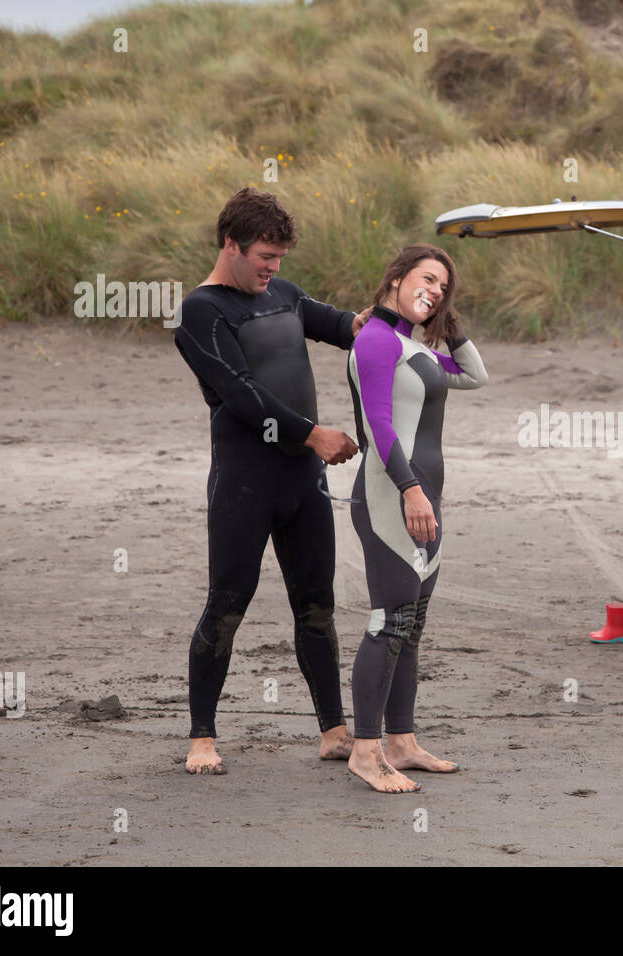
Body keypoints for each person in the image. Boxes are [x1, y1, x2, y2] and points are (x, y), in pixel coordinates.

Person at [173, 187, 371, 775]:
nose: (274, 268)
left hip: (303, 484)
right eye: (265, 255)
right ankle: (202, 738)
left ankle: (333, 731)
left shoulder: (281, 294)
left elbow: (342, 327)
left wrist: (391, 310)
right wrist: (313, 434)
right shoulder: (200, 312)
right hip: (244, 484)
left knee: (317, 607)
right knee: (226, 607)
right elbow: (241, 394)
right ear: (231, 244)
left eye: (281, 257)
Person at [345, 244, 487, 793]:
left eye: (444, 287)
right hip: (392, 498)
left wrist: (445, 318)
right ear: (397, 276)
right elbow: (380, 427)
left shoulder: (410, 345)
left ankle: (401, 742)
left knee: (412, 624)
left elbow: (475, 375)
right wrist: (410, 490)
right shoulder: (376, 341)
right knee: (389, 620)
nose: (434, 290)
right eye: (427, 279)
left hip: (424, 499)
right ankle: (365, 750)